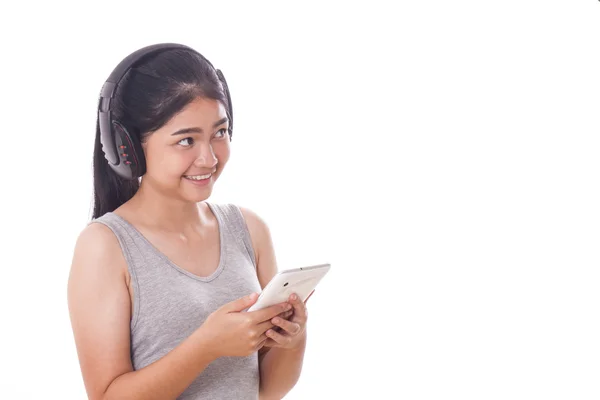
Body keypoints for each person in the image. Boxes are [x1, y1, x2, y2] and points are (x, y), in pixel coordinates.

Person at [67, 43, 314, 400]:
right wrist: (205, 347)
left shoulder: (250, 230)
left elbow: (267, 391)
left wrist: (292, 339)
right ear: (130, 149)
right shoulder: (104, 246)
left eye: (220, 132)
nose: (209, 158)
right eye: (186, 140)